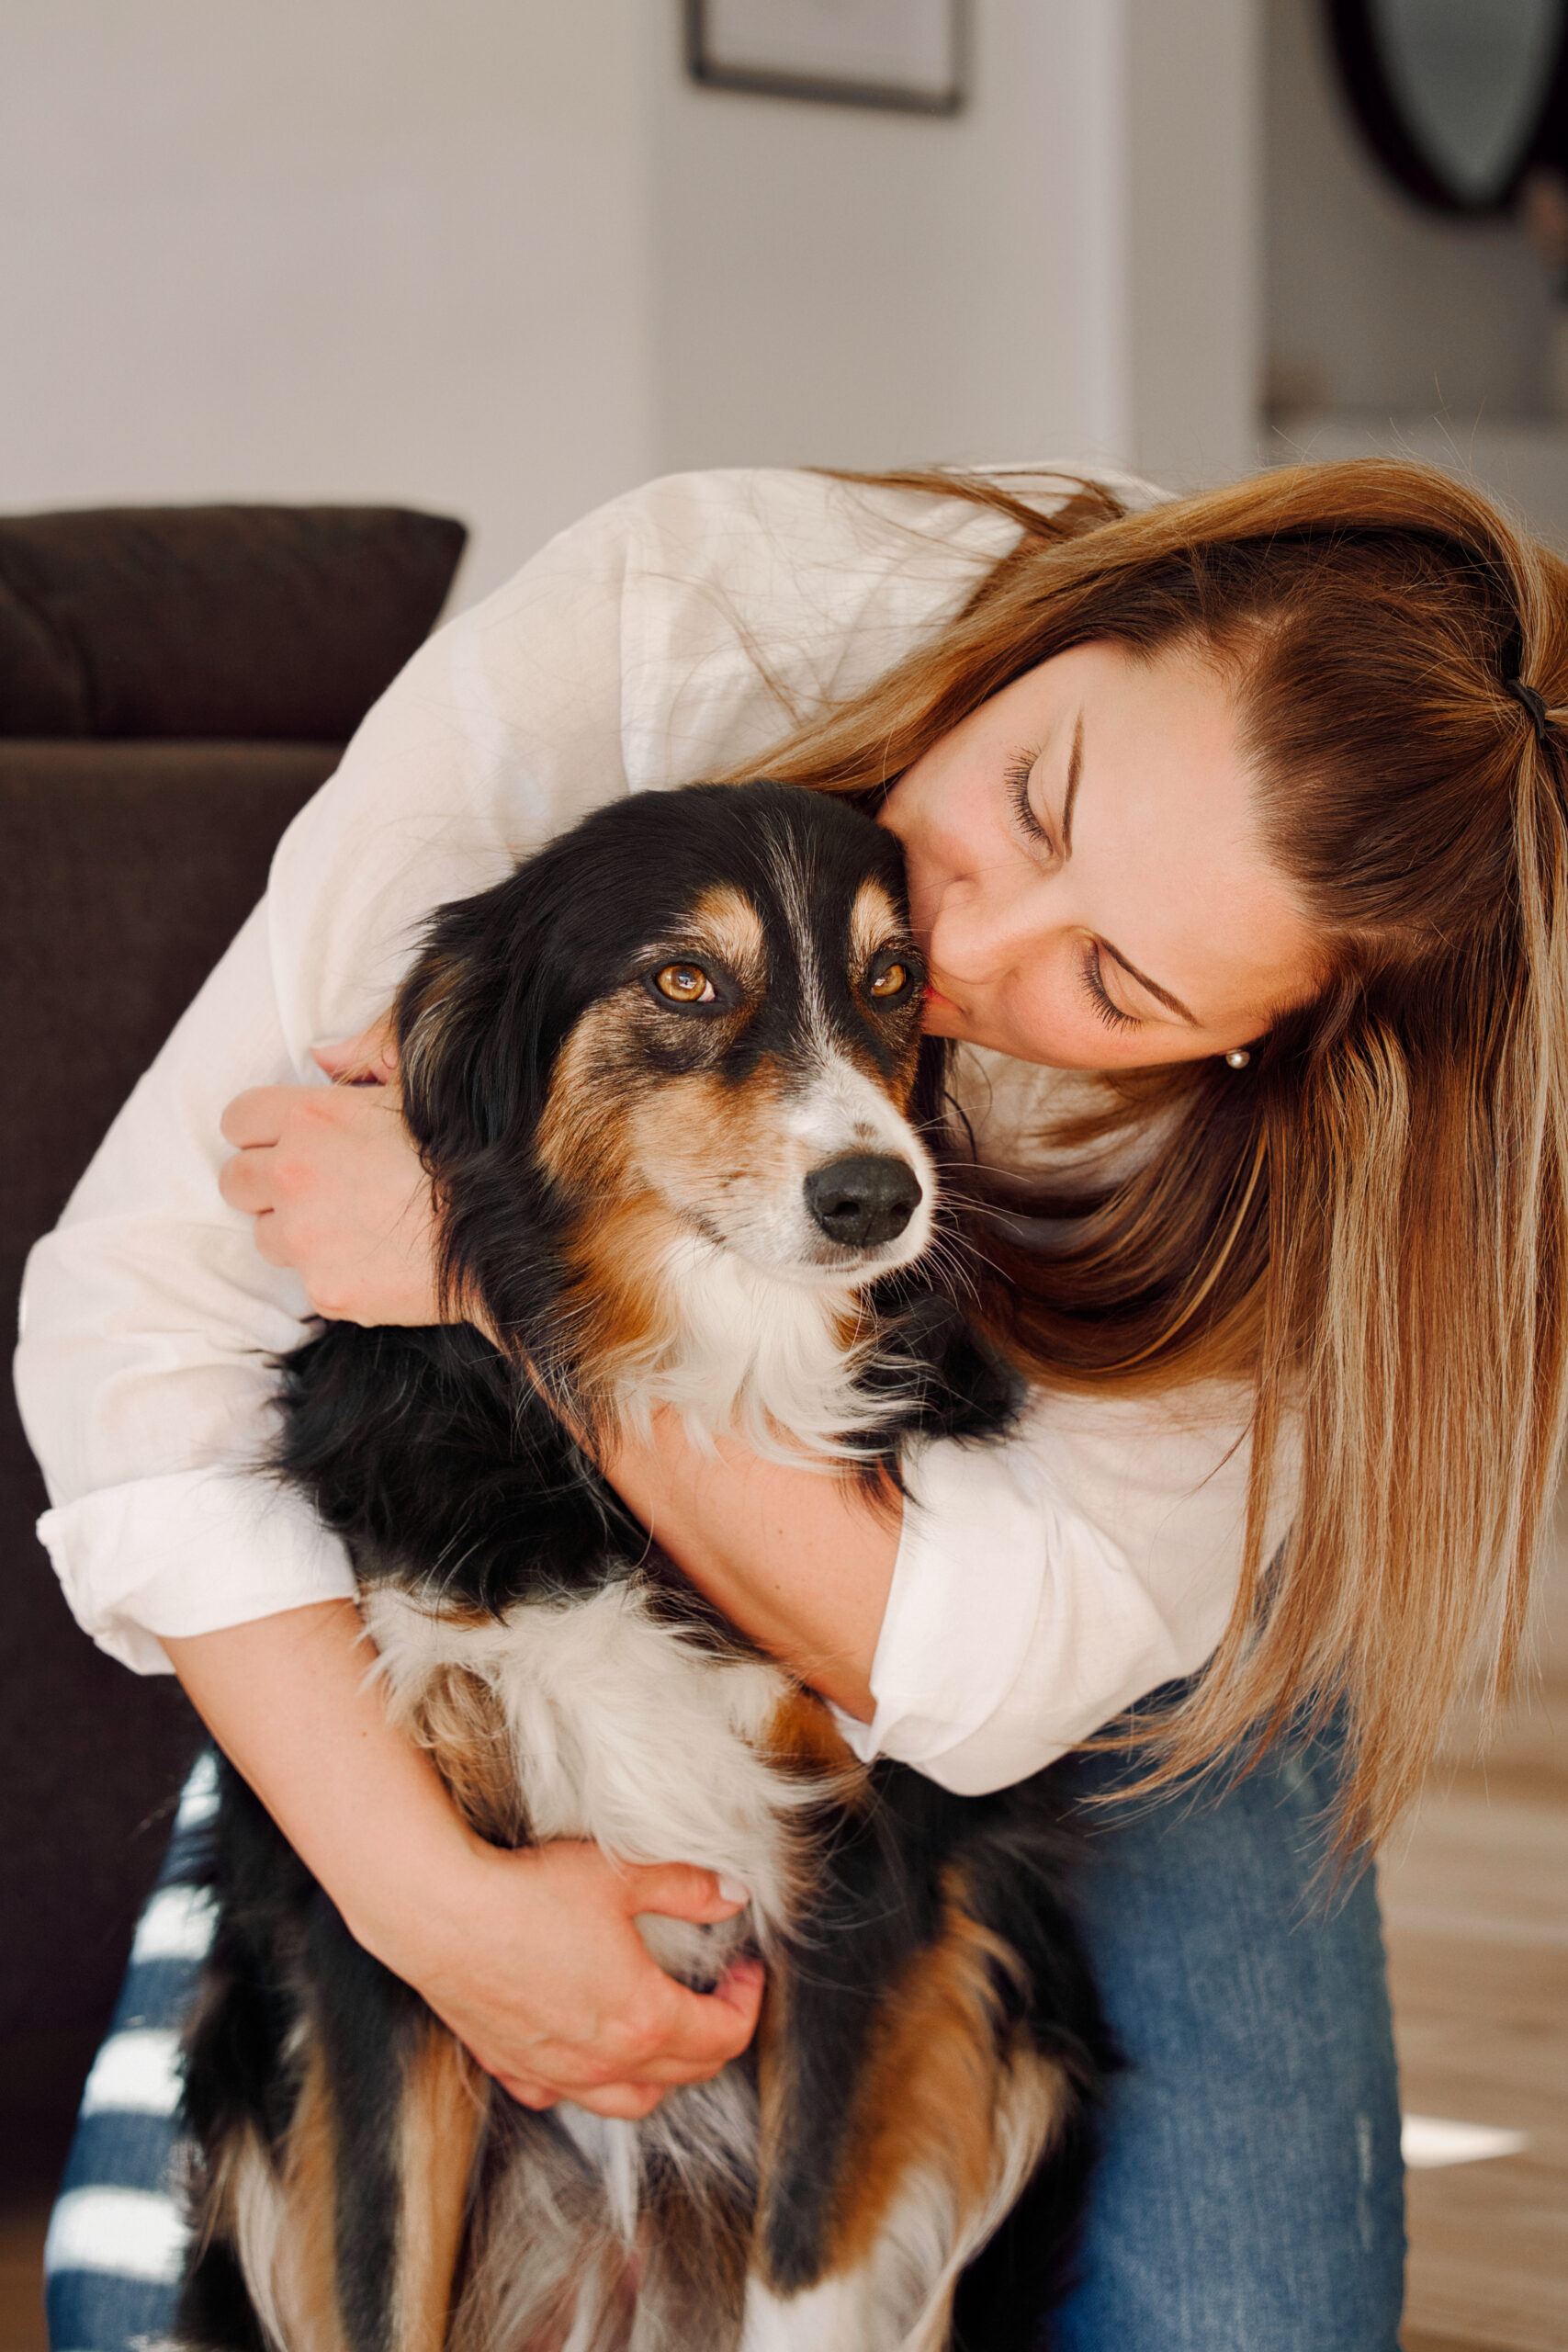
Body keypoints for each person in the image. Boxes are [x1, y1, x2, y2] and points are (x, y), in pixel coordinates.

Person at [20, 455, 1568, 2350]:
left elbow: (978, 1668)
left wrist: (489, 1264)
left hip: (1067, 1618)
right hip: (477, 1546)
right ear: (1090, 613)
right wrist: (424, 1898)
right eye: (1031, 794)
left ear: (1253, 1038)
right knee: (141, 2313)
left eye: (1112, 977)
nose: (964, 952)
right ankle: (331, 1777)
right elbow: (138, 1305)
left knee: (1242, 2322)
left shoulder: (1316, 1163)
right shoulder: (689, 616)